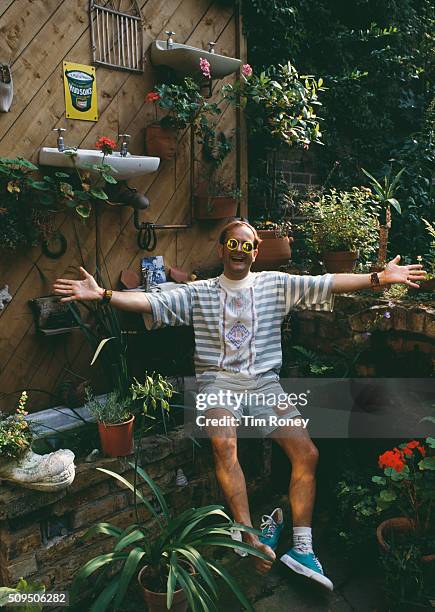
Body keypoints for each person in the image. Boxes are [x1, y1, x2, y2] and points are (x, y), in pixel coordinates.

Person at [53, 220, 425, 591]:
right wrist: (103, 294)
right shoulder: (198, 292)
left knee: (307, 452)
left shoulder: (274, 284)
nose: (239, 250)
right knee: (224, 444)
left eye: (247, 245)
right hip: (219, 383)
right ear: (221, 249)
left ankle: (302, 548)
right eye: (232, 243)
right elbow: (151, 301)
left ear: (256, 252)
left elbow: (326, 282)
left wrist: (378, 277)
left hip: (264, 383)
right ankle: (248, 538)